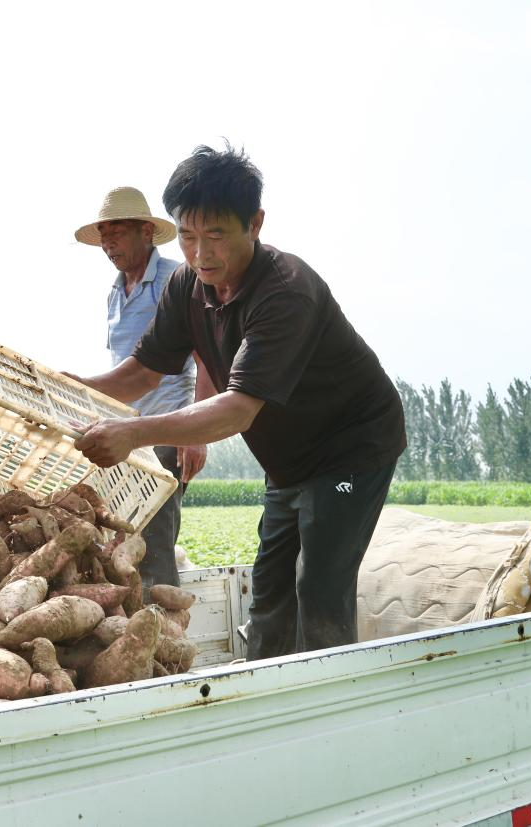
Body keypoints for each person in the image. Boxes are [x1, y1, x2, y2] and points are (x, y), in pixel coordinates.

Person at [70, 144, 406, 658]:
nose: (200, 254)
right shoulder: (187, 286)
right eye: (187, 236)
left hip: (351, 452)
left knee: (317, 586)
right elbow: (142, 371)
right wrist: (65, 386)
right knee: (270, 591)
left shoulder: (285, 290)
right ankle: (264, 701)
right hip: (288, 462)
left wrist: (133, 433)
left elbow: (236, 409)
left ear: (255, 223)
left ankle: (330, 707)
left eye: (216, 235)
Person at [72, 186, 206, 591]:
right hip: (125, 435)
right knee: (124, 541)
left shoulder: (175, 279)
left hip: (167, 430)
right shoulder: (114, 293)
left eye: (118, 230)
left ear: (147, 232)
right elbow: (126, 371)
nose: (108, 242)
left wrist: (197, 433)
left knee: (155, 546)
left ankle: (162, 641)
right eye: (103, 234)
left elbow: (204, 355)